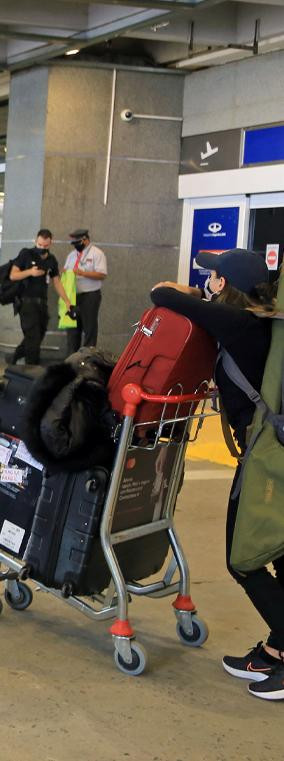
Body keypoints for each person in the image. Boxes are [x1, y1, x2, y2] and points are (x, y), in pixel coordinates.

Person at [151, 249, 284, 702]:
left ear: (224, 285)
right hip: (272, 457)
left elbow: (160, 295)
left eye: (212, 275)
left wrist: (186, 291)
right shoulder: (263, 323)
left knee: (242, 559)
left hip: (266, 461)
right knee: (279, 553)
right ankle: (277, 648)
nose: (207, 280)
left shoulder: (240, 325)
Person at [6, 229, 74, 366]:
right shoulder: (26, 254)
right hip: (26, 303)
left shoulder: (51, 260)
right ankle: (31, 367)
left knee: (40, 334)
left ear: (50, 243)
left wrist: (67, 301)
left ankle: (15, 355)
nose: (42, 248)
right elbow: (13, 275)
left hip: (42, 304)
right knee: (33, 337)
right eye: (40, 245)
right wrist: (30, 272)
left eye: (45, 246)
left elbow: (56, 282)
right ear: (35, 241)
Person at [65, 228, 107, 350]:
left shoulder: (97, 253)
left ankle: (87, 358)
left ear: (85, 240)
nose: (75, 246)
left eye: (77, 243)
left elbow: (102, 275)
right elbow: (66, 270)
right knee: (72, 330)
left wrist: (83, 273)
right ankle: (72, 359)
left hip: (90, 296)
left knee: (89, 328)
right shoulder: (72, 255)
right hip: (73, 296)